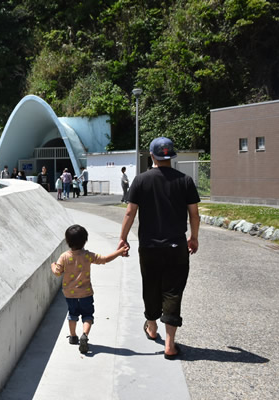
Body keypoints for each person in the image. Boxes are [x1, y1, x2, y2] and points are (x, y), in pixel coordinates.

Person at [118, 137, 200, 360]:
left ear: (152, 156)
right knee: (173, 290)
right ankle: (170, 345)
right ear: (171, 156)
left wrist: (123, 238)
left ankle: (152, 327)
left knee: (151, 286)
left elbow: (130, 212)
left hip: (149, 246)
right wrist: (193, 237)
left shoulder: (141, 180)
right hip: (176, 246)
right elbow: (194, 214)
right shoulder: (185, 181)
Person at [52, 224, 129, 353]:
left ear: (67, 241)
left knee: (72, 314)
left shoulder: (64, 257)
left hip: (70, 295)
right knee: (87, 315)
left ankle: (73, 336)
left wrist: (53, 265)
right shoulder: (87, 256)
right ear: (85, 240)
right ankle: (85, 335)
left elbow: (57, 272)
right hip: (86, 293)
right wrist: (119, 252)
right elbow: (104, 259)